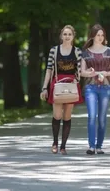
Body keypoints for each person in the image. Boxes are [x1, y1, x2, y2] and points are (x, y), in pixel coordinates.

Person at [40, 25, 82, 155]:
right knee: (57, 115)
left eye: (70, 34)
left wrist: (77, 80)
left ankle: (63, 146)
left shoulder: (77, 51)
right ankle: (55, 142)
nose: (67, 36)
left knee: (67, 116)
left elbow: (79, 70)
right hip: (57, 84)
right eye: (65, 34)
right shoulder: (54, 50)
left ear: (73, 36)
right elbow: (49, 70)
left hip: (71, 85)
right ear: (61, 36)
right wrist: (44, 87)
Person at [80, 24, 110, 155]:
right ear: (93, 36)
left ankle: (99, 146)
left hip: (106, 87)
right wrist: (89, 73)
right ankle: (91, 146)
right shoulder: (85, 53)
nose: (100, 37)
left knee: (102, 117)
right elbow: (82, 72)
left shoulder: (109, 52)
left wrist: (105, 73)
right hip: (90, 87)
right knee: (92, 116)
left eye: (102, 35)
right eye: (98, 35)